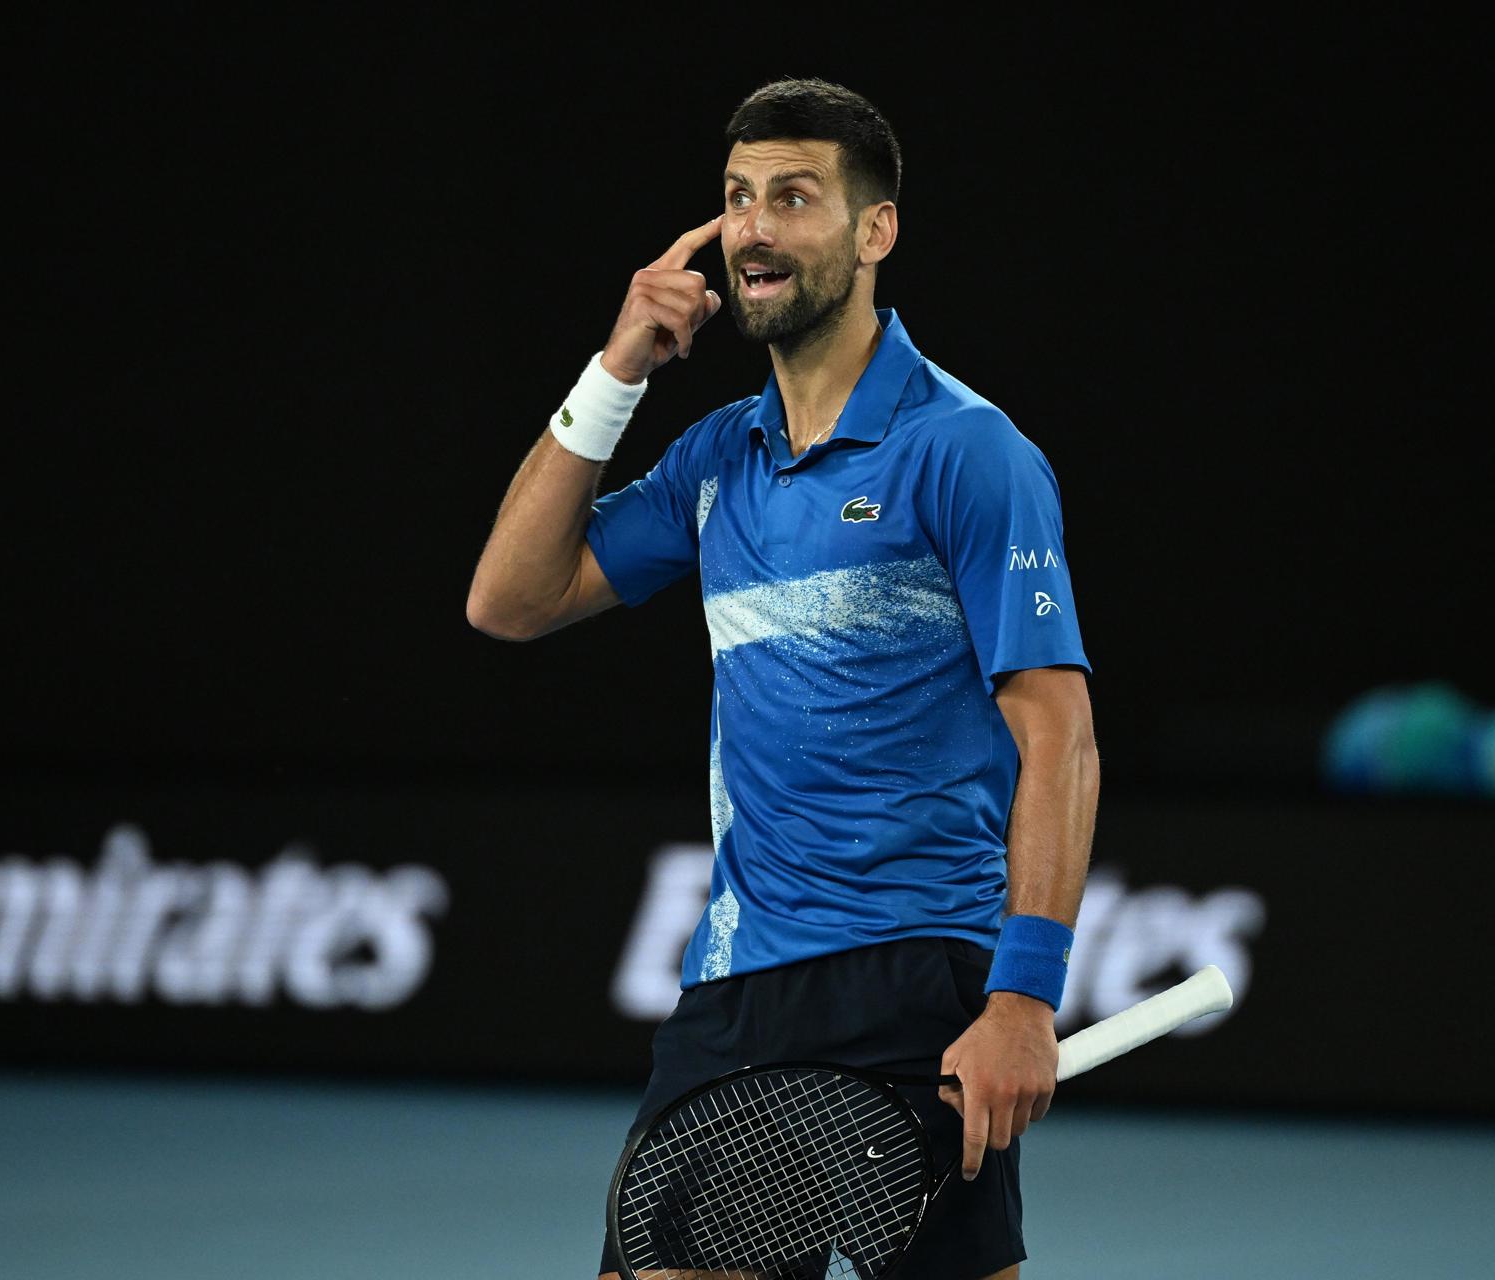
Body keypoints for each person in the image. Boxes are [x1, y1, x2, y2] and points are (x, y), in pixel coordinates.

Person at [465, 78, 1099, 1280]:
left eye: (794, 198)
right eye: (738, 199)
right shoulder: (716, 461)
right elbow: (510, 597)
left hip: (923, 974)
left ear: (875, 231)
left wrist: (1024, 994)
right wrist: (617, 370)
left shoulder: (969, 452)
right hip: (740, 985)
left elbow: (1058, 732)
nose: (754, 228)